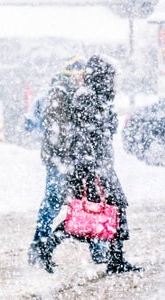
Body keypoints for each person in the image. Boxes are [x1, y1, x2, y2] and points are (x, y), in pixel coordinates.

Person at [39, 55, 144, 274]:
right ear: (101, 77)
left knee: (103, 212)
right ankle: (47, 249)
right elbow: (84, 136)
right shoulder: (87, 97)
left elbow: (99, 131)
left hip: (98, 166)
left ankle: (115, 258)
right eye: (111, 77)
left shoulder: (97, 97)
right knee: (87, 215)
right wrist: (90, 168)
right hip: (91, 169)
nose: (113, 82)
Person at [28, 56, 109, 268]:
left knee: (88, 201)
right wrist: (72, 149)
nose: (83, 79)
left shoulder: (73, 93)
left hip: (71, 159)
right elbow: (58, 130)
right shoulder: (60, 92)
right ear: (72, 74)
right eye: (81, 74)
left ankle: (97, 248)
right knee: (55, 201)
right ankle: (39, 246)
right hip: (61, 160)